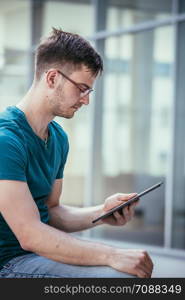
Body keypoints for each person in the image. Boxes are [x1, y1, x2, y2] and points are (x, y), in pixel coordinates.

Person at [0, 28, 153, 278]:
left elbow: (52, 212)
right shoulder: (6, 140)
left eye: (89, 91)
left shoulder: (58, 138)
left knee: (131, 273)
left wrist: (102, 213)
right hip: (9, 264)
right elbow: (29, 234)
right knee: (118, 277)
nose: (86, 100)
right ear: (52, 79)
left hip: (38, 256)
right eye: (82, 88)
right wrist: (111, 254)